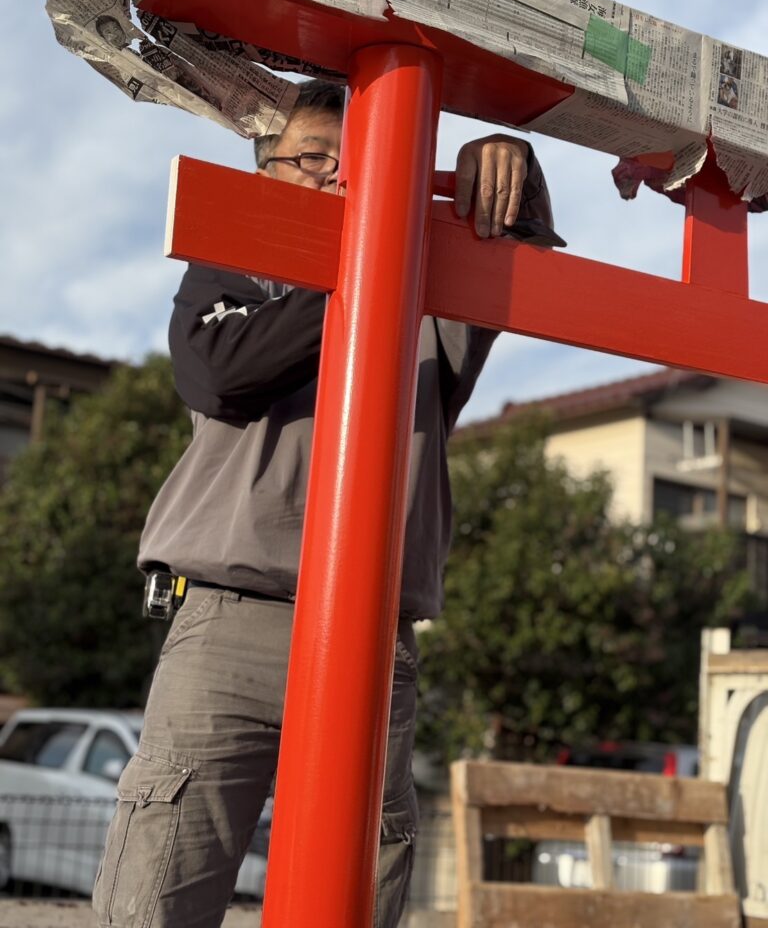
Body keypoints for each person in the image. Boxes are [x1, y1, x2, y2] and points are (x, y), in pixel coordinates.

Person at [92, 79, 554, 928]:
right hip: (227, 627)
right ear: (269, 172)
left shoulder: (437, 286)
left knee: (353, 901)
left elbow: (519, 240)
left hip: (375, 643)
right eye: (315, 159)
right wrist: (369, 262)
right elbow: (219, 376)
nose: (342, 178)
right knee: (155, 895)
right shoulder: (234, 264)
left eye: (366, 164)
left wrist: (514, 166)